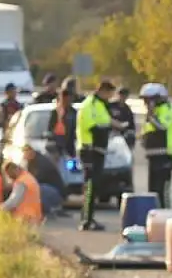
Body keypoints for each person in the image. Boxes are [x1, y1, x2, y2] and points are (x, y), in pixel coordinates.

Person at [76, 80, 124, 231]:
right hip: (90, 150)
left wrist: (117, 125)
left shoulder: (100, 105)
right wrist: (107, 128)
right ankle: (87, 220)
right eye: (109, 94)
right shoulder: (90, 104)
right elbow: (92, 126)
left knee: (93, 186)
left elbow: (105, 121)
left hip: (98, 150)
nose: (110, 97)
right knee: (91, 185)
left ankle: (89, 218)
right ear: (103, 90)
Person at [140, 82, 172, 209]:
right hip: (153, 156)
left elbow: (161, 127)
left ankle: (165, 216)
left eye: (149, 100)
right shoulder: (153, 113)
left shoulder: (168, 110)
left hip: (165, 155)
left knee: (162, 191)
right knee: (152, 192)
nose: (146, 104)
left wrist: (151, 116)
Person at [21, 145, 67, 217]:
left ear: (31, 152)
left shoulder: (41, 162)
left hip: (56, 192)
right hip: (51, 189)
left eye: (25, 154)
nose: (24, 157)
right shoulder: (33, 161)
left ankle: (47, 211)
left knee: (38, 188)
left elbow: (36, 179)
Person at [46, 88, 78, 158]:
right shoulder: (56, 112)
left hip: (70, 146)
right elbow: (50, 128)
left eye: (70, 99)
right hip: (57, 146)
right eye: (65, 99)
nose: (68, 101)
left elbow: (76, 128)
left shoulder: (74, 112)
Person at [108, 86, 136, 150]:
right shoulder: (110, 106)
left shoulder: (128, 109)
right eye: (121, 94)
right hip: (110, 135)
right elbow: (104, 118)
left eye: (125, 95)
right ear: (117, 94)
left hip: (122, 137)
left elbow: (131, 125)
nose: (123, 96)